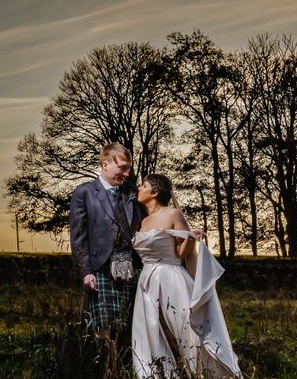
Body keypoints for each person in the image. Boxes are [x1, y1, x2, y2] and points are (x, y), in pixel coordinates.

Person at [132, 173, 241, 378]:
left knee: (186, 327)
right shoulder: (144, 221)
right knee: (150, 329)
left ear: (154, 192)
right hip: (146, 280)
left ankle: (200, 371)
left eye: (144, 185)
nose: (139, 188)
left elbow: (181, 253)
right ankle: (159, 372)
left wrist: (191, 238)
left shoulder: (173, 214)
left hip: (171, 277)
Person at [69, 142, 144, 340]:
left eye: (129, 168)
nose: (127, 173)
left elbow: (152, 220)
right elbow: (79, 237)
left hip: (133, 267)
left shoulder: (133, 193)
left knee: (130, 326)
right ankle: (103, 367)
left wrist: (181, 231)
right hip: (101, 267)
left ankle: (125, 368)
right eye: (123, 168)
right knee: (103, 328)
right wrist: (86, 272)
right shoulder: (83, 193)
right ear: (105, 165)